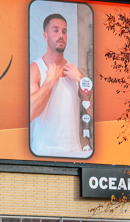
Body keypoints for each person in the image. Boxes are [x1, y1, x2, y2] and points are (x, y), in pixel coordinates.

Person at [29, 12, 90, 158]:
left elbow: (95, 112)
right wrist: (50, 80)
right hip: (43, 154)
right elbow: (30, 112)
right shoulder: (36, 68)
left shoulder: (74, 72)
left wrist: (81, 79)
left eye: (64, 31)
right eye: (55, 30)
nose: (61, 35)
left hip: (74, 153)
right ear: (45, 36)